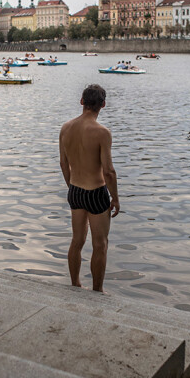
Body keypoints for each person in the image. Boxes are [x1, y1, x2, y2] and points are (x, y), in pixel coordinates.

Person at [59, 84, 119, 293]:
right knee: (100, 244)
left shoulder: (66, 127)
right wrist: (116, 198)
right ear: (103, 104)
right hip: (96, 193)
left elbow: (63, 164)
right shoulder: (102, 132)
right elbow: (109, 171)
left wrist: (71, 187)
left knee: (77, 240)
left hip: (75, 190)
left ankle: (75, 285)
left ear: (82, 102)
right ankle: (97, 290)